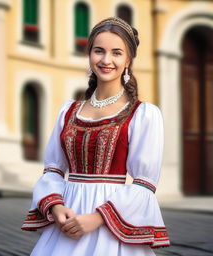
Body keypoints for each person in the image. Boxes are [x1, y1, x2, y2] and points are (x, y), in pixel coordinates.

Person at [21, 17, 170, 256]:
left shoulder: (143, 114)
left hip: (110, 222)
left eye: (117, 53)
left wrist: (97, 218)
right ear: (89, 54)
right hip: (66, 219)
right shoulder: (68, 111)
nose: (106, 60)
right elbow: (53, 170)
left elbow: (144, 183)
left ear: (128, 60)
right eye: (98, 51)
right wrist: (57, 207)